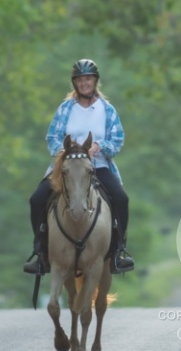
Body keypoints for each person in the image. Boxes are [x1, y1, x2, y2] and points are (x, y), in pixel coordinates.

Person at [23, 58, 135, 275]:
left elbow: (118, 140)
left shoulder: (107, 110)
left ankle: (118, 252)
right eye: (80, 79)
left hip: (98, 165)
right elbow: (53, 137)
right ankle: (40, 252)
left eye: (88, 79)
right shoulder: (65, 108)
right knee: (36, 199)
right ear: (75, 83)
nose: (84, 83)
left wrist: (100, 146)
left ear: (95, 81)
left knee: (121, 199)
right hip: (66, 167)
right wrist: (66, 153)